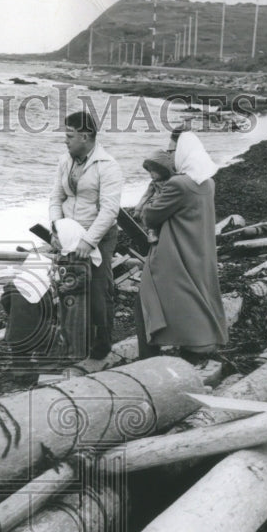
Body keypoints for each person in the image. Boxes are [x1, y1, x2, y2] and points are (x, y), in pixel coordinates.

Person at [132, 128, 227, 361]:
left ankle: (148, 359)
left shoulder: (179, 184)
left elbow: (150, 216)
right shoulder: (208, 182)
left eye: (173, 151)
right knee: (194, 298)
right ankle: (196, 346)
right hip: (198, 249)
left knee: (146, 300)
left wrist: (148, 203)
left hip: (172, 252)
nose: (171, 156)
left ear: (184, 152)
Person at [48, 111, 122, 360]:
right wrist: (56, 229)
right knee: (68, 287)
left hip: (98, 235)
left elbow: (110, 210)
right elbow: (56, 198)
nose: (65, 140)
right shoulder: (65, 161)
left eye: (70, 136)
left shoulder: (108, 166)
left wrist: (88, 241)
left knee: (99, 289)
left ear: (86, 136)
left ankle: (102, 343)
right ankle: (74, 341)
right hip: (68, 236)